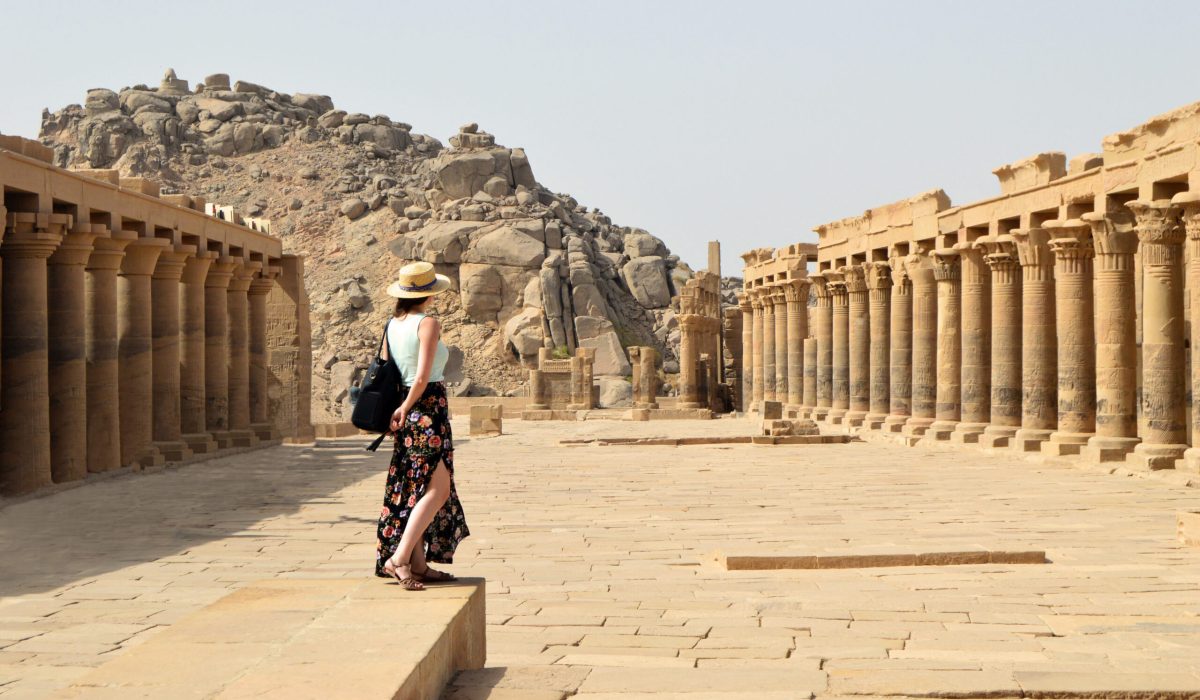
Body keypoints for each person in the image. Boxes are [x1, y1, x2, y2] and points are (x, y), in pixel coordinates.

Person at [375, 261, 470, 590]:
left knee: (416, 487)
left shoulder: (392, 324)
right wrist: (407, 407)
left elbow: (389, 370)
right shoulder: (428, 323)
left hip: (406, 410)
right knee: (438, 489)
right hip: (425, 409)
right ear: (429, 294)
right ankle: (399, 559)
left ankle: (418, 563)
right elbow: (422, 376)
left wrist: (399, 409)